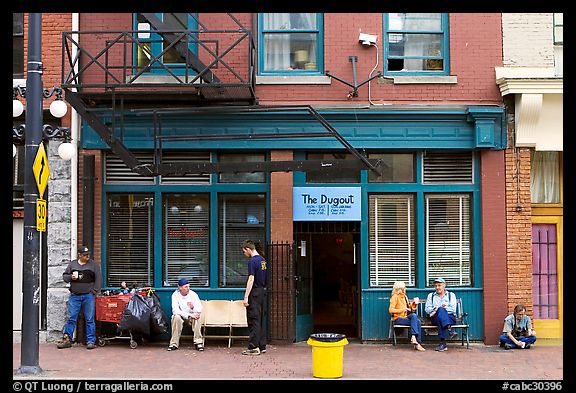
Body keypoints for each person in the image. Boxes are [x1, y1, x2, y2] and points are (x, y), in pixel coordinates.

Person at [57, 246, 102, 350]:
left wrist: (94, 292)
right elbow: (65, 277)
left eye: (88, 255)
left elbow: (98, 279)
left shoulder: (93, 265)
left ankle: (91, 341)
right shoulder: (72, 264)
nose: (87, 257)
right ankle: (67, 339)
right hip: (75, 295)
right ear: (80, 255)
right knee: (71, 318)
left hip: (88, 296)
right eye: (85, 255)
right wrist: (70, 277)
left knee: (89, 318)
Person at [241, 239, 268, 356]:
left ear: (248, 249)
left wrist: (246, 296)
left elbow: (251, 279)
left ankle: (253, 347)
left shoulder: (252, 261)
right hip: (263, 292)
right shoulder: (263, 260)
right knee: (261, 319)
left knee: (253, 320)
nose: (244, 254)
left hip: (255, 293)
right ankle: (262, 345)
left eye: (244, 252)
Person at [167, 278, 204, 351]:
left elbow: (199, 309)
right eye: (186, 287)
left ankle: (198, 342)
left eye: (188, 286)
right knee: (176, 317)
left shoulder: (193, 294)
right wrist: (189, 315)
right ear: (180, 288)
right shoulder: (175, 295)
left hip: (191, 317)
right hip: (181, 317)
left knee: (197, 317)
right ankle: (174, 343)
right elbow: (175, 311)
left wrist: (193, 307)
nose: (188, 289)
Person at [389, 281, 425, 351]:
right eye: (404, 287)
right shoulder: (395, 297)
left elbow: (410, 308)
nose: (405, 288)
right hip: (398, 319)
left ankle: (414, 337)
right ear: (400, 289)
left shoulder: (405, 296)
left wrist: (414, 303)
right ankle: (418, 343)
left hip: (405, 317)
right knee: (418, 322)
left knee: (415, 317)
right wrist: (403, 309)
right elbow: (391, 310)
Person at [424, 277, 458, 352]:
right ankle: (450, 329)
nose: (437, 287)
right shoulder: (431, 296)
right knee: (440, 312)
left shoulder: (451, 295)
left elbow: (453, 309)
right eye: (435, 286)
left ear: (444, 285)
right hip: (435, 318)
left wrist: (440, 309)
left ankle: (442, 343)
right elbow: (427, 309)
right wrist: (436, 309)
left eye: (439, 285)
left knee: (441, 313)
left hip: (450, 317)